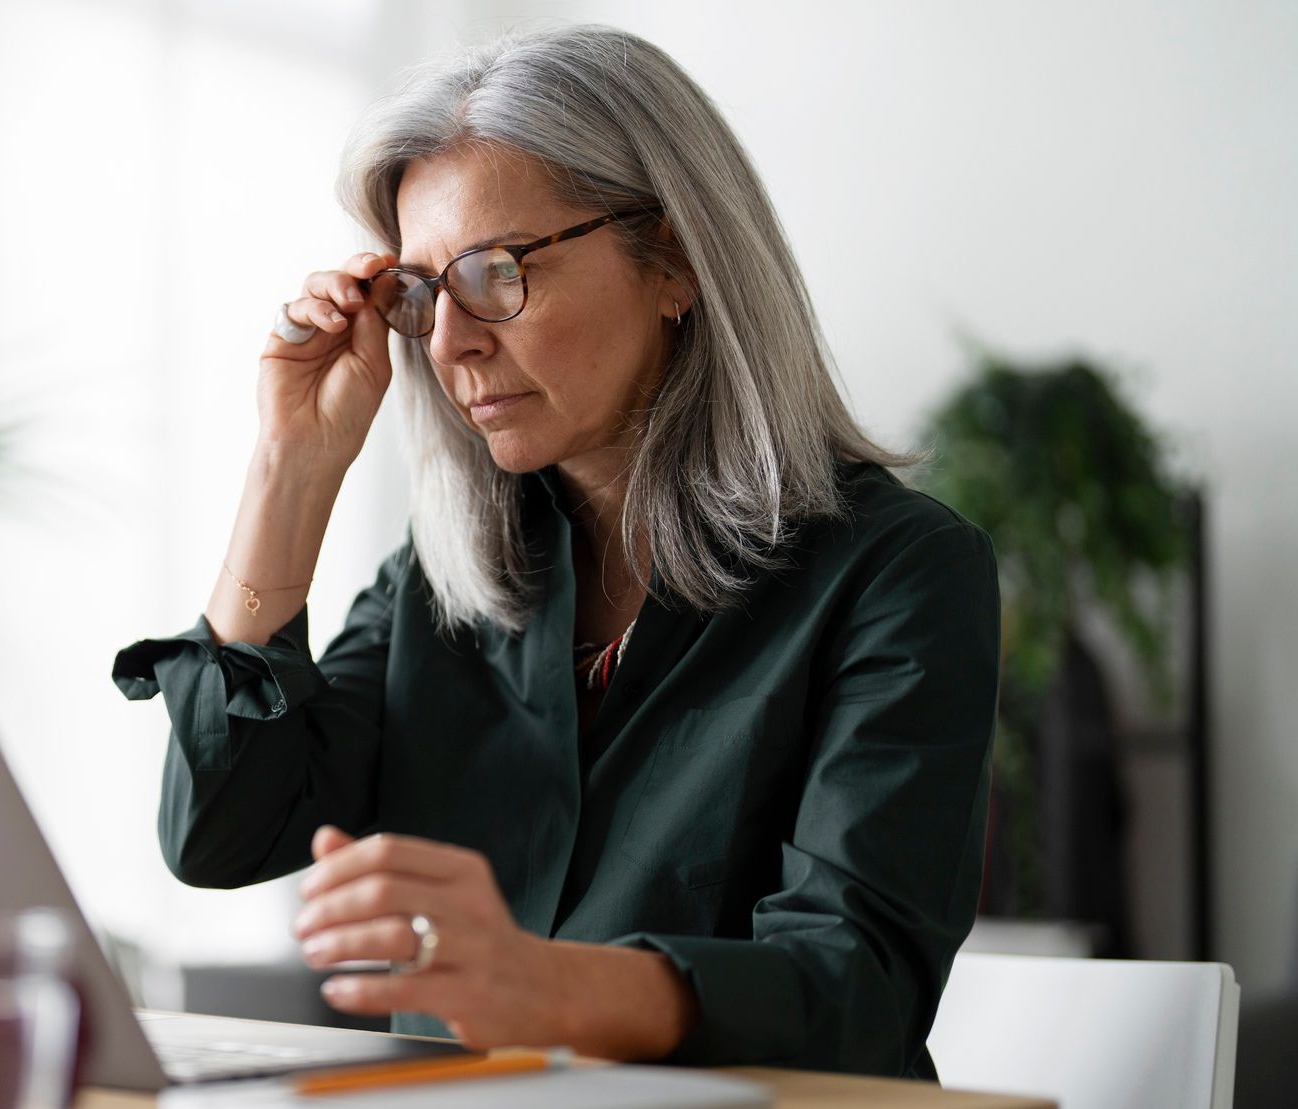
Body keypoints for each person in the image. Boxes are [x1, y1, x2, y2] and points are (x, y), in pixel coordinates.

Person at [111, 23, 998, 1080]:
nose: (449, 342)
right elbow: (219, 833)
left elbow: (859, 986)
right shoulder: (440, 585)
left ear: (671, 260)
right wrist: (288, 471)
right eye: (422, 294)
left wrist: (544, 984)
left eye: (496, 272)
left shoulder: (896, 574)